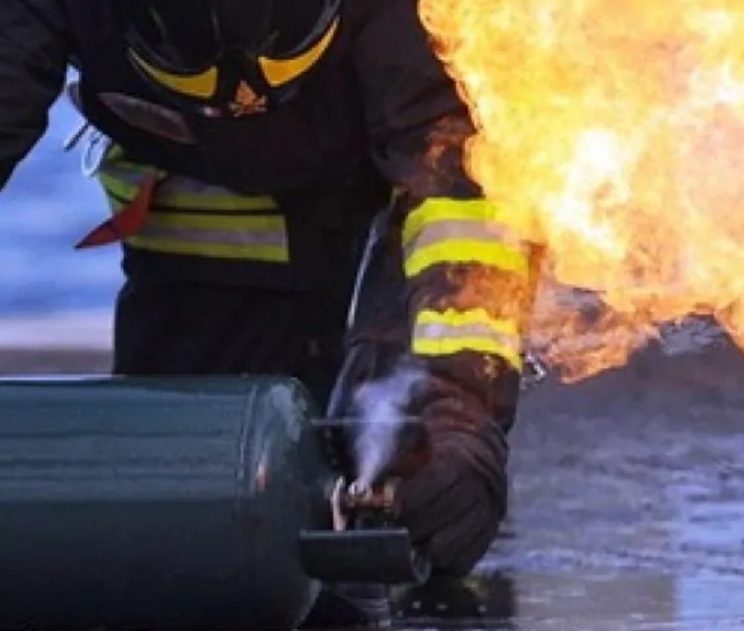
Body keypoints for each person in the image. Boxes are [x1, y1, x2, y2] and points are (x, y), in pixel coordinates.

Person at [0, 0, 536, 623]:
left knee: (423, 495)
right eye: (205, 75)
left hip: (381, 227)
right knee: (173, 533)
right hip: (200, 248)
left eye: (271, 66)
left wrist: (455, 407)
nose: (243, 97)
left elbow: (461, 196)